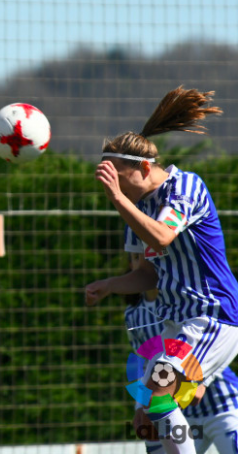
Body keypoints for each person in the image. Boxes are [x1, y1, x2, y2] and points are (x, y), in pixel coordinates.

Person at [85, 86, 238, 454]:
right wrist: (109, 285)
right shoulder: (136, 209)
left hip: (210, 316)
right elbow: (150, 276)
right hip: (175, 324)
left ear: (143, 168)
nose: (117, 192)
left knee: (159, 396)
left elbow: (164, 237)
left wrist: (119, 199)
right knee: (147, 417)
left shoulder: (185, 187)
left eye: (121, 182)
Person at [124, 251, 238, 453]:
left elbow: (212, 349)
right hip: (181, 411)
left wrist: (191, 387)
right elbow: (143, 365)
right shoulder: (134, 315)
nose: (143, 261)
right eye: (135, 257)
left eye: (147, 256)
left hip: (221, 403)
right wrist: (141, 407)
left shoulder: (185, 302)